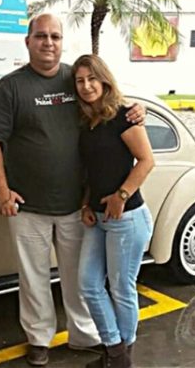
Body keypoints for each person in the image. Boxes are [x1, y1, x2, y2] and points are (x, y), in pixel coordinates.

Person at [0, 14, 144, 367]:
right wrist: (2, 191)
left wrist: (136, 109)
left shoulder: (74, 78)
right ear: (28, 41)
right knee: (34, 278)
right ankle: (39, 339)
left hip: (76, 206)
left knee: (80, 279)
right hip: (28, 206)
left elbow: (109, 101)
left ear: (62, 42)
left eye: (55, 36)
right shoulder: (10, 87)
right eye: (41, 36)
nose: (48, 42)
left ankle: (84, 334)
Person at [73, 54, 155, 368]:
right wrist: (86, 203)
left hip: (127, 218)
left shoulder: (123, 116)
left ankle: (119, 358)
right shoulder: (86, 121)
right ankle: (116, 353)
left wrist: (122, 195)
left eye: (92, 79)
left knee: (121, 289)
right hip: (96, 217)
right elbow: (92, 171)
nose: (86, 86)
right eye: (80, 81)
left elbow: (146, 160)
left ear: (104, 80)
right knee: (89, 285)